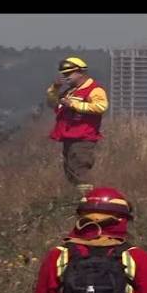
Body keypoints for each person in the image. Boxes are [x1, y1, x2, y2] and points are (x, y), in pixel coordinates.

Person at [46, 56, 109, 196]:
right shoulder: (69, 91)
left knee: (80, 168)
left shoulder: (94, 89)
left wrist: (74, 104)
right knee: (69, 170)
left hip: (83, 138)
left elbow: (101, 106)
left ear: (80, 72)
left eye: (68, 74)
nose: (65, 78)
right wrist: (55, 88)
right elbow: (52, 103)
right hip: (68, 137)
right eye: (63, 74)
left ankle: (86, 198)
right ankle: (75, 196)